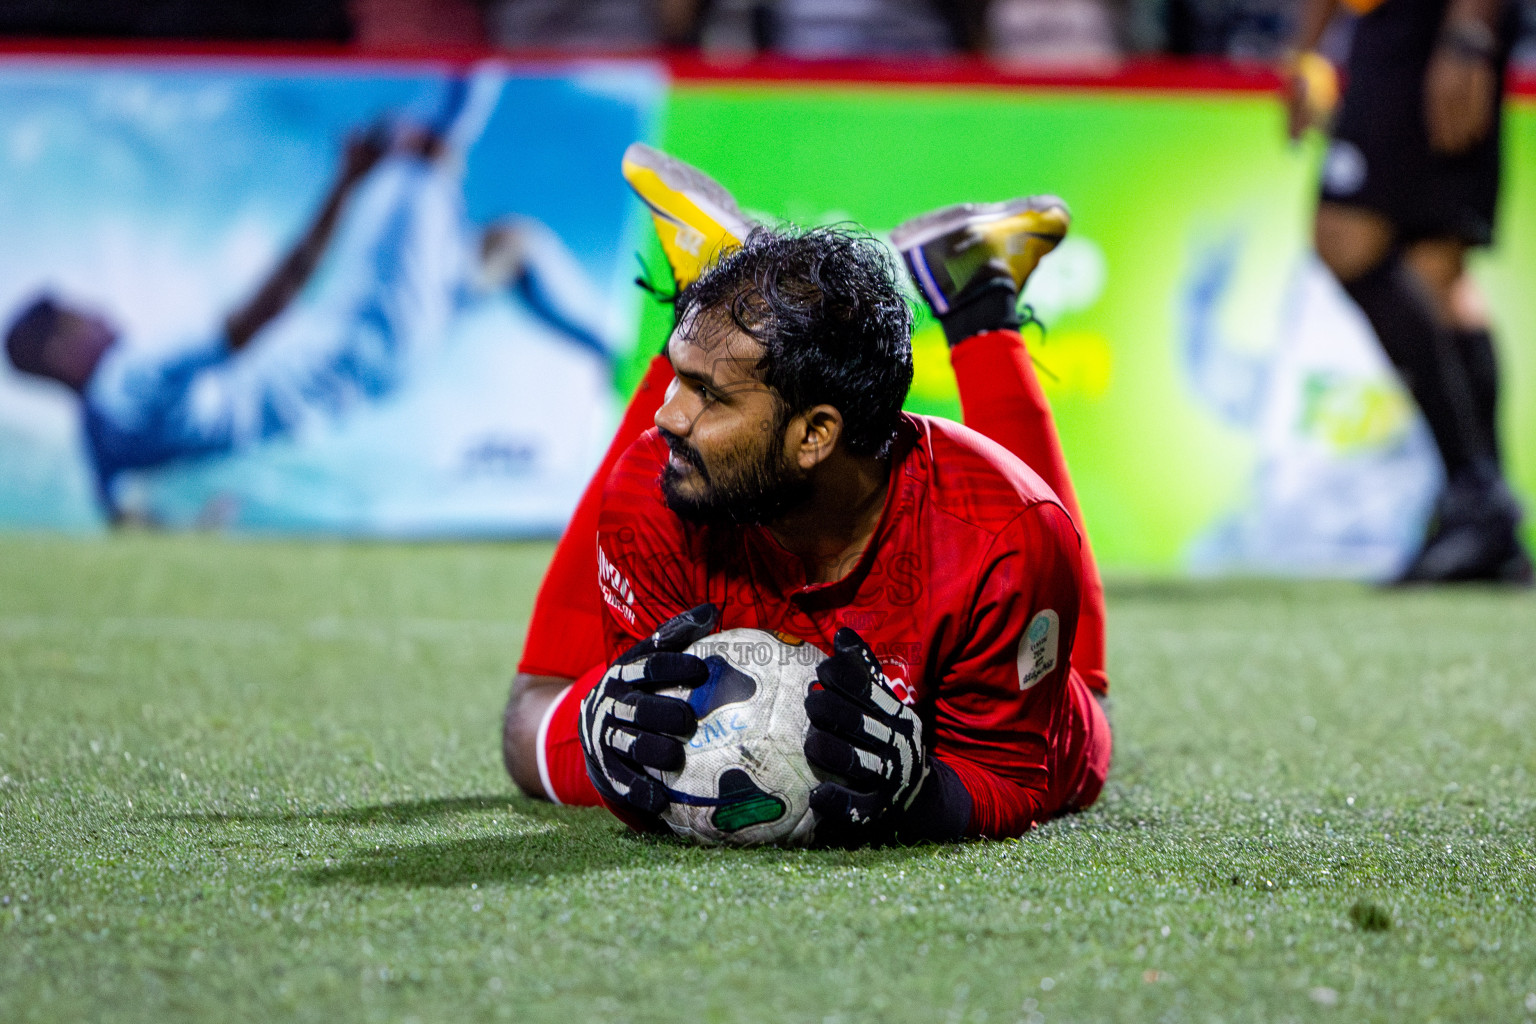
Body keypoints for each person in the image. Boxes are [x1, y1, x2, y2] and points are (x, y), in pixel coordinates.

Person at [502, 143, 1110, 843]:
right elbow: (614, 716)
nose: (662, 414)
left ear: (814, 434)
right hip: (743, 628)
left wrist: (917, 792)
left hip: (969, 721)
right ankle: (717, 281)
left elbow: (1010, 777)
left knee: (1087, 707)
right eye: (677, 375)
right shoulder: (655, 488)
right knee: (535, 734)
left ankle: (980, 300)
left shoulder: (1001, 534)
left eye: (707, 392)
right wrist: (610, 737)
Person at [2, 76, 611, 522]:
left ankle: (611, 355)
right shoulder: (126, 377)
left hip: (372, 368)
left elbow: (122, 521)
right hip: (364, 336)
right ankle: (485, 38)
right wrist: (344, 185)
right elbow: (256, 316)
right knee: (424, 150)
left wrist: (191, 531)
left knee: (510, 248)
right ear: (60, 348)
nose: (101, 314)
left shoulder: (98, 436)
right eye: (81, 316)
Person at [1283, 0, 1531, 583]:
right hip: (1394, 26)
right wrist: (1307, 51)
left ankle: (1477, 498)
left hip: (1434, 26)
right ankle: (1482, 517)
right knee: (1435, 271)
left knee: (1349, 236)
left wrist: (1468, 33)